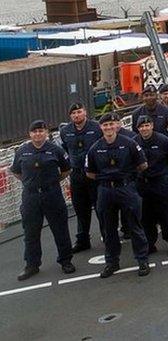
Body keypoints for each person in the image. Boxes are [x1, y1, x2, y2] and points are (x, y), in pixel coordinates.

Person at [85, 112, 151, 278]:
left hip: (126, 188)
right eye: (105, 125)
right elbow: (90, 173)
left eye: (111, 124)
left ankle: (142, 260)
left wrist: (126, 178)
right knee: (109, 229)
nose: (108, 128)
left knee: (135, 225)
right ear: (101, 127)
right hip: (106, 191)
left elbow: (142, 164)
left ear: (117, 125)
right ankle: (112, 262)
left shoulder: (129, 143)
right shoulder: (95, 148)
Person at [11, 120, 75, 281]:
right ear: (30, 134)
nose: (38, 134)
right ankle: (32, 264)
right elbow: (17, 172)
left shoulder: (55, 150)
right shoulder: (22, 151)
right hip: (31, 197)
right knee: (31, 232)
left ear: (46, 133)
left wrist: (51, 182)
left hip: (52, 194)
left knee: (60, 229)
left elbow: (66, 170)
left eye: (41, 131)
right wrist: (31, 183)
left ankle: (66, 260)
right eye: (35, 131)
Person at [133, 115, 168, 257]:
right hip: (142, 184)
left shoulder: (163, 140)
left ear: (152, 126)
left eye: (147, 126)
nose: (144, 129)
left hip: (160, 182)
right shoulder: (134, 143)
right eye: (141, 126)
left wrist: (164, 173)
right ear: (138, 128)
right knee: (146, 216)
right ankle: (150, 243)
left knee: (166, 213)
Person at [58, 102, 102, 252]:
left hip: (95, 173)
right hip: (77, 174)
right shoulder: (65, 131)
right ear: (70, 116)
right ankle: (83, 240)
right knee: (80, 208)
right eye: (73, 113)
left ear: (85, 112)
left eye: (79, 112)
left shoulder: (96, 127)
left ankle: (107, 236)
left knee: (100, 207)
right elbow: (64, 149)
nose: (76, 115)